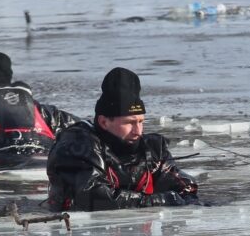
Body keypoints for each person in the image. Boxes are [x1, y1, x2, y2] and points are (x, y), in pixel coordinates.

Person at [46, 67, 199, 211]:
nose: (138, 131)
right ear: (104, 122)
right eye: (129, 123)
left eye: (141, 122)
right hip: (78, 233)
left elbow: (184, 187)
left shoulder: (153, 149)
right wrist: (155, 201)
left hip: (139, 233)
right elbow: (91, 195)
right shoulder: (77, 144)